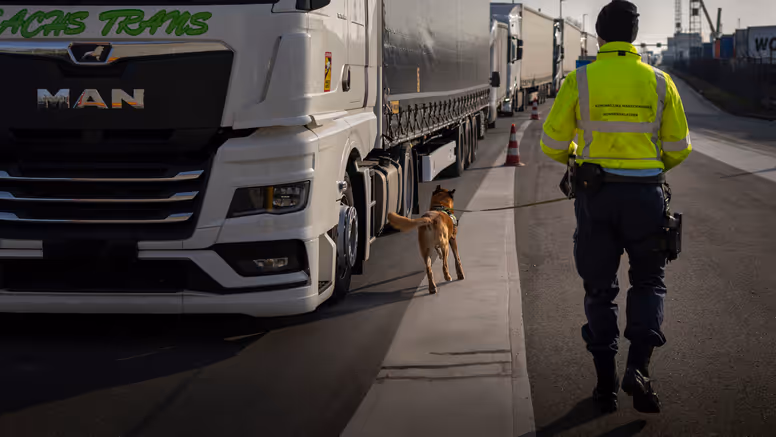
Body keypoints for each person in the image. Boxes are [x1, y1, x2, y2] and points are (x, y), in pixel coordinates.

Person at [540, 0, 692, 414]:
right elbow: (679, 148)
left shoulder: (581, 80)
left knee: (599, 289)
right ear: (635, 37)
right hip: (645, 197)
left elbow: (551, 144)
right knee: (648, 283)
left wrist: (578, 156)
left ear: (601, 36)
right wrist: (648, 162)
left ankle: (605, 386)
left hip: (597, 196)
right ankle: (638, 369)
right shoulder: (661, 82)